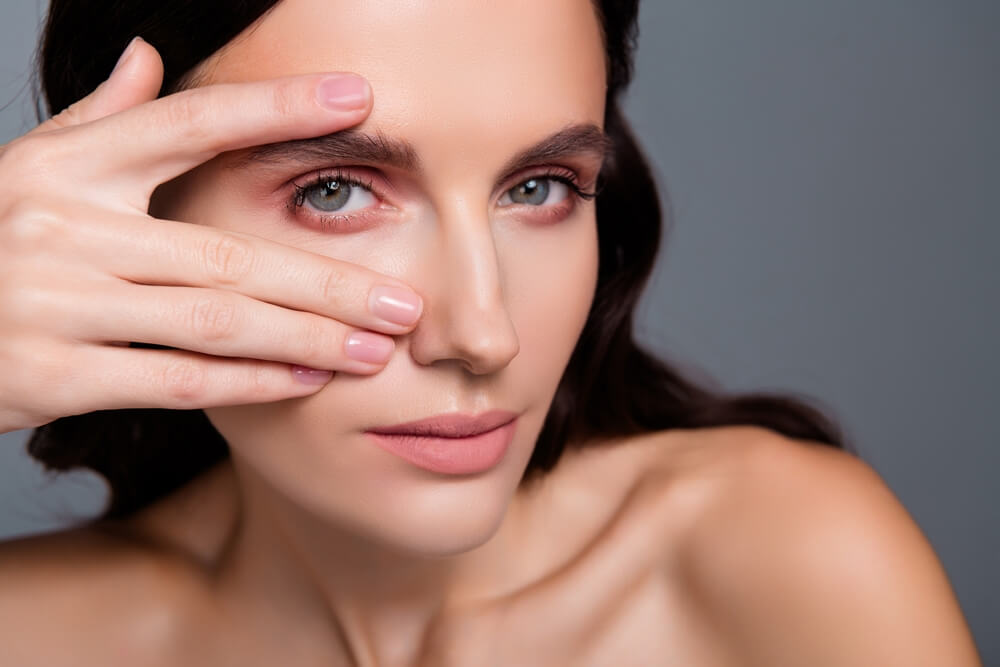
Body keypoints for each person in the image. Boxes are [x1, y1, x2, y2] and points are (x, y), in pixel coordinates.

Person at [0, 0, 982, 664]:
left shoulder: (779, 560)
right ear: (125, 214)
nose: (483, 333)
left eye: (539, 188)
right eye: (335, 190)